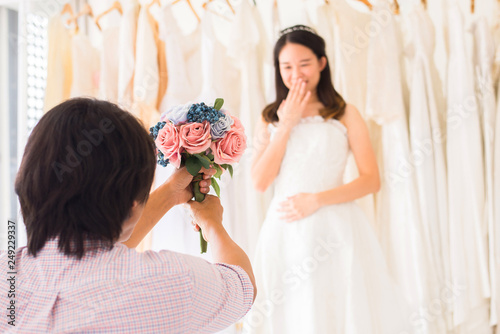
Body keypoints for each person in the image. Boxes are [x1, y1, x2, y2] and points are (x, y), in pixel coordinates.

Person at [2, 97, 255, 333]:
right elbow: (242, 287)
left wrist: (169, 194)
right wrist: (212, 224)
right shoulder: (169, 282)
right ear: (134, 203)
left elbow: (94, 252)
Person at [244, 25, 408, 333]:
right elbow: (259, 182)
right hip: (285, 232)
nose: (296, 74)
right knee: (292, 311)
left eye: (304, 64)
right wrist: (287, 124)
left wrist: (316, 200)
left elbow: (371, 180)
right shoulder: (269, 118)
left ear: (322, 62)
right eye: (287, 67)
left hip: (337, 230)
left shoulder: (345, 114)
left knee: (338, 309)